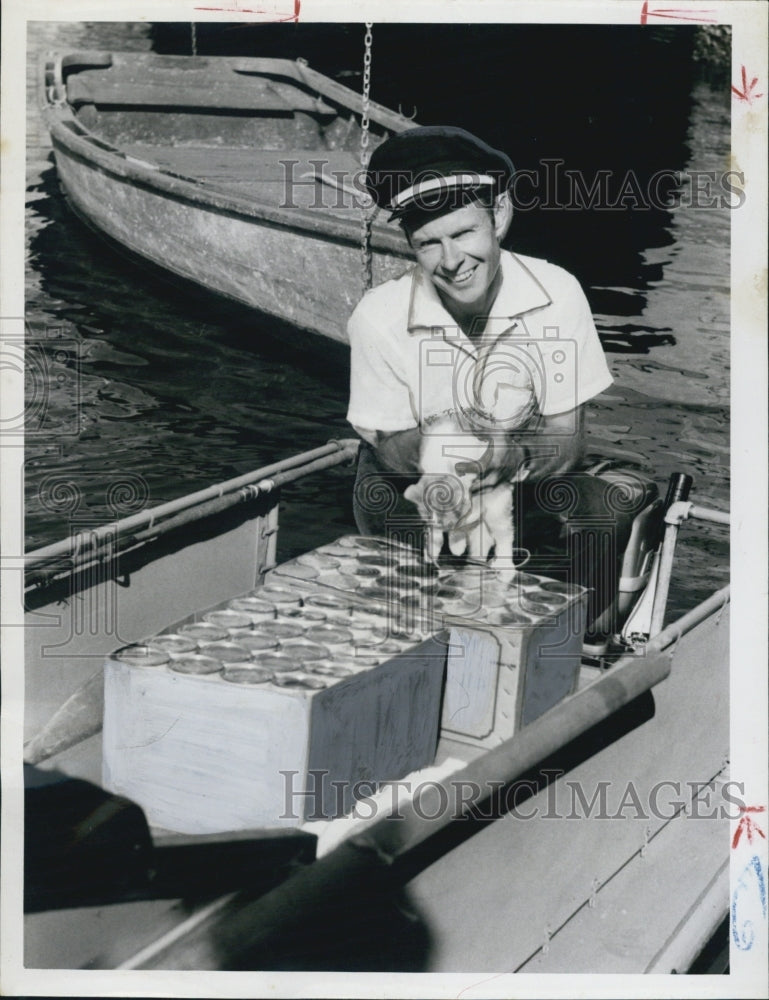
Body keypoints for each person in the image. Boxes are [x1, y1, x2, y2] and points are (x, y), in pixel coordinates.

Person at [346, 126, 646, 641]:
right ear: (411, 245)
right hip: (413, 491)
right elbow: (388, 450)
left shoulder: (558, 293)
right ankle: (408, 629)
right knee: (387, 525)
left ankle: (572, 637)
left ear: (499, 215)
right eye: (429, 244)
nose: (452, 261)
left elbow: (568, 438)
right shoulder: (377, 317)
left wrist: (515, 455)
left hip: (524, 489)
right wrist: (447, 445)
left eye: (463, 234)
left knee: (601, 509)